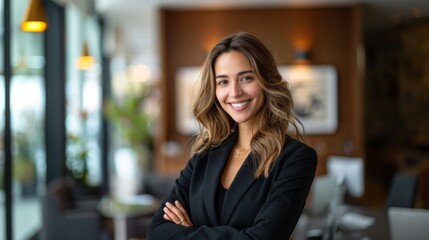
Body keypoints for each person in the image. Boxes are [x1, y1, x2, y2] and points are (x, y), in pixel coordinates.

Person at [148, 32, 317, 240]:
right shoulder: (205, 154)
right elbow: (156, 230)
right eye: (223, 82)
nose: (235, 92)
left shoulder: (295, 158)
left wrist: (188, 231)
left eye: (246, 78)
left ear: (266, 81)